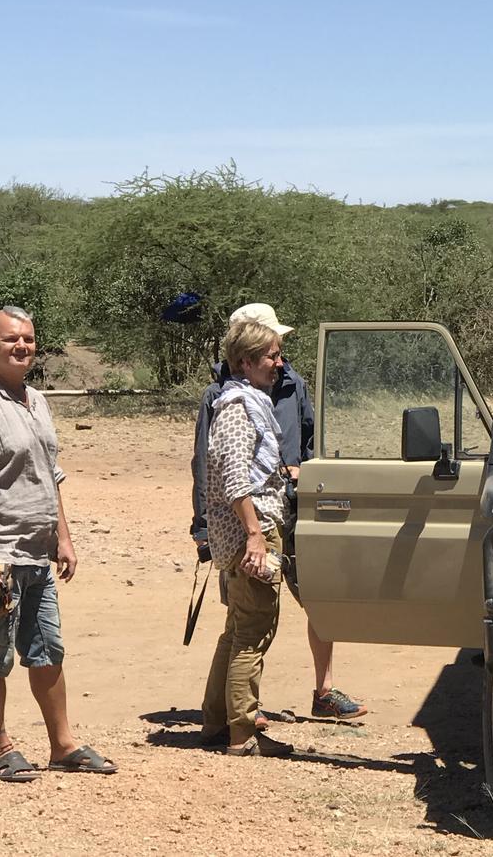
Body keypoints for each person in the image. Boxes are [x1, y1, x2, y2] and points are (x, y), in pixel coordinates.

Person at [191, 303, 366, 721]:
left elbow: (309, 445)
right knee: (248, 622)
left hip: (291, 512)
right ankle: (243, 717)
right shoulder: (223, 398)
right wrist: (204, 529)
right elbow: (211, 466)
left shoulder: (293, 384)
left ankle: (322, 692)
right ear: (246, 354)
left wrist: (302, 472)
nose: (279, 357)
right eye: (271, 347)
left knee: (314, 600)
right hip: (247, 522)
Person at [0, 306, 116, 781]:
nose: (22, 347)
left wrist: (64, 537)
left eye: (29, 340)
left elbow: (49, 474)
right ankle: (0, 746)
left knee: (47, 647)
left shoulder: (37, 400)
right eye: (11, 340)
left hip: (37, 550)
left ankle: (62, 745)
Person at [200, 320, 296, 756]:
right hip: (250, 532)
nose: (279, 363)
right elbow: (237, 481)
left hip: (245, 530)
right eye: (272, 356)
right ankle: (242, 732)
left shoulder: (243, 403)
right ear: (246, 362)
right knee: (252, 634)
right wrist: (256, 536)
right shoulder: (239, 409)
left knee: (237, 628)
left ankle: (216, 723)